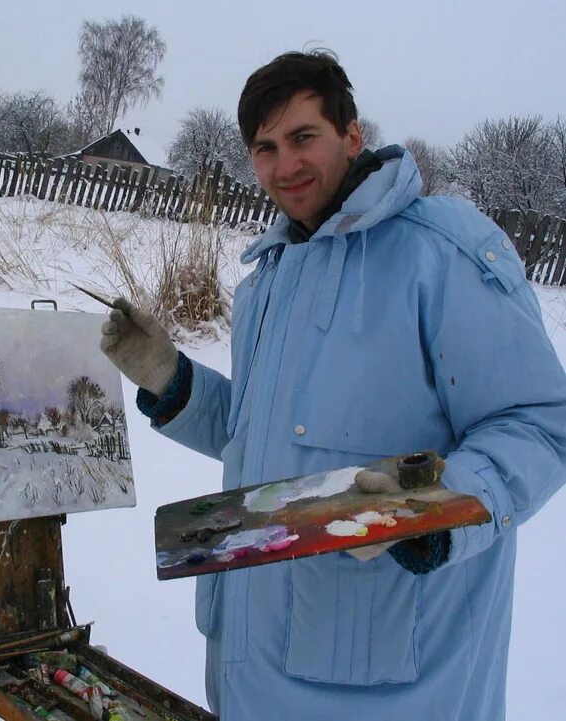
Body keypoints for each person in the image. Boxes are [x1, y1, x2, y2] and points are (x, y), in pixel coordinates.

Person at [100, 50, 566, 721]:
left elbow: (537, 424)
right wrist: (170, 381)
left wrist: (427, 508)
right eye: (264, 147)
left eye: (301, 137)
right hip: (255, 660)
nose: (282, 165)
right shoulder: (271, 278)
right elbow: (265, 443)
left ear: (350, 133)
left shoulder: (438, 253)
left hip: (390, 680)